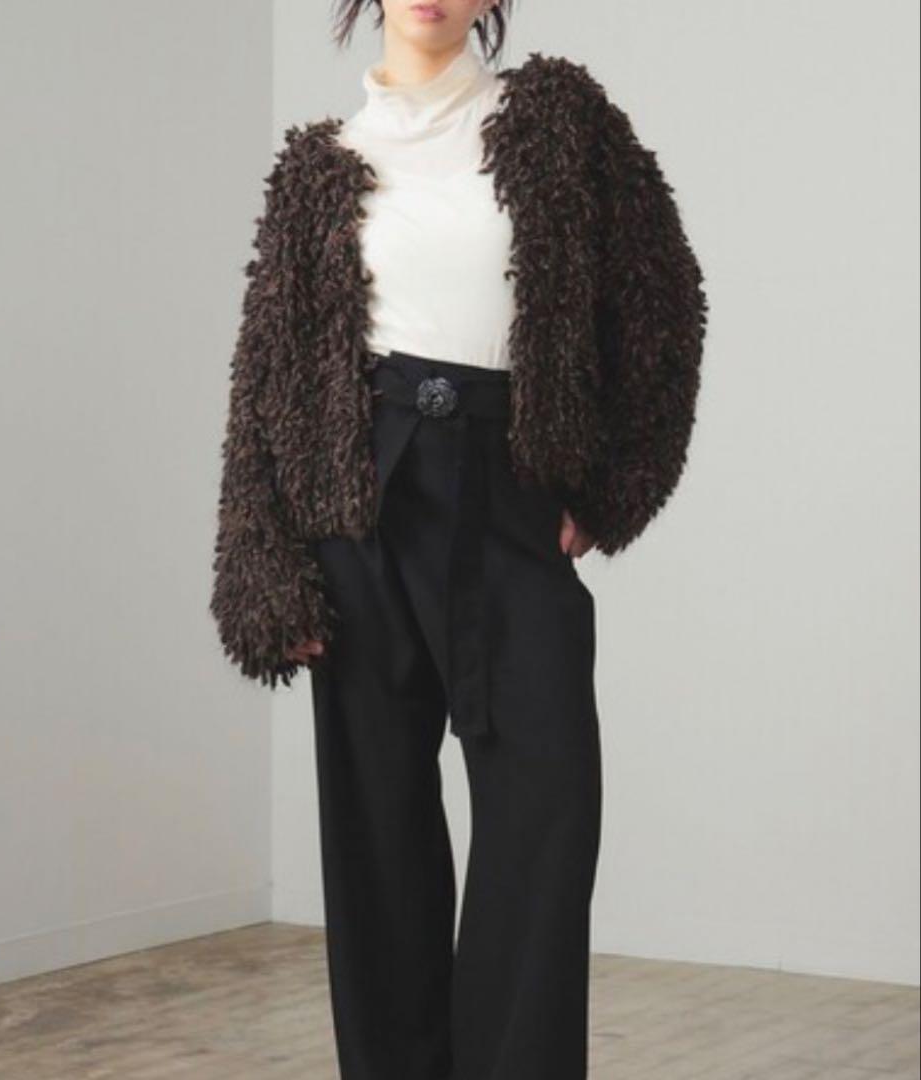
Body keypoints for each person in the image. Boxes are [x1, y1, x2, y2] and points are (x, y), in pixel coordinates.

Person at [209, 1, 708, 1076]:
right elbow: (266, 377)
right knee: (379, 836)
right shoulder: (320, 167)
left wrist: (615, 484)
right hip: (360, 492)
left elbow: (665, 294)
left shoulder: (559, 120)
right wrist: (265, 565)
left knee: (544, 814)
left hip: (509, 476)